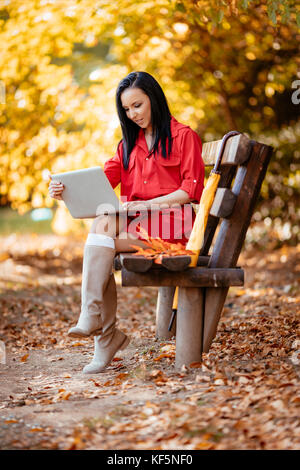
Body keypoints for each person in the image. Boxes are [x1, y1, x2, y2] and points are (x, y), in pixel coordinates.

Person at [48, 71, 205, 374]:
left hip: (174, 231)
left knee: (101, 236)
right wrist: (63, 190)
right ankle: (99, 325)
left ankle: (103, 332)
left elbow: (190, 190)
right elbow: (99, 185)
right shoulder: (127, 145)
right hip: (139, 228)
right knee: (102, 224)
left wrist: (146, 204)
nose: (133, 114)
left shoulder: (184, 136)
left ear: (154, 100)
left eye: (138, 105)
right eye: (127, 109)